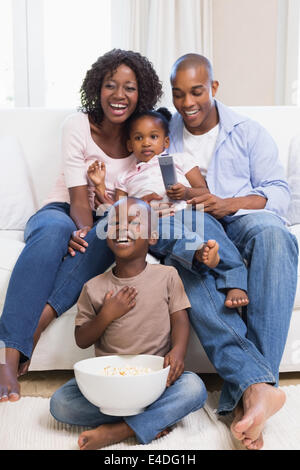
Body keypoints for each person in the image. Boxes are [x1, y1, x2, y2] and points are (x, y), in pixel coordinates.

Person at [148, 53, 298, 450]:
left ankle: (252, 388)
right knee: (188, 258)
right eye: (178, 94)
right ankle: (258, 392)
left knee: (275, 236)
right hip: (192, 224)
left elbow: (280, 194)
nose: (188, 103)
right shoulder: (164, 131)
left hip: (239, 216)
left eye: (197, 92)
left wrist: (230, 203)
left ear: (214, 88)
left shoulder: (248, 131)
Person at [0, 49, 163, 402]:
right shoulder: (78, 125)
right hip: (62, 210)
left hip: (108, 218)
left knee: (114, 232)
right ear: (97, 88)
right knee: (55, 232)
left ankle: (35, 327)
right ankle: (9, 356)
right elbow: (77, 199)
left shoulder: (143, 135)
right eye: (110, 85)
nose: (119, 95)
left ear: (142, 93)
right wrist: (80, 231)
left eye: (129, 88)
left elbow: (152, 188)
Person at [50, 197, 207, 450]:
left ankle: (121, 429)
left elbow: (180, 318)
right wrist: (107, 315)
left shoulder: (167, 276)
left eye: (134, 222)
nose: (122, 228)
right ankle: (151, 419)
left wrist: (177, 352)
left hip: (157, 382)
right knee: (60, 403)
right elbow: (82, 339)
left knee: (194, 389)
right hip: (110, 384)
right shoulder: (94, 287)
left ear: (152, 236)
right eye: (115, 223)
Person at [88, 107, 249, 308]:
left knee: (209, 230)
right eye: (138, 138)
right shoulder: (126, 177)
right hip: (155, 221)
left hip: (188, 211)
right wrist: (100, 186)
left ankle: (234, 280)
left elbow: (203, 191)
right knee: (162, 230)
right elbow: (118, 211)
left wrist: (185, 192)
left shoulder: (180, 160)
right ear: (130, 144)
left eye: (153, 137)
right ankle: (196, 251)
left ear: (165, 142)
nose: (146, 142)